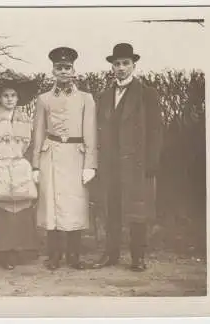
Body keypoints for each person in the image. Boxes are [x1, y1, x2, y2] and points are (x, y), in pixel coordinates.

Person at [91, 43, 163, 272]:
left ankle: (137, 257)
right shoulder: (104, 96)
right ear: (112, 67)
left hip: (135, 162)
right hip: (110, 162)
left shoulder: (147, 94)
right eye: (117, 64)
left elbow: (155, 130)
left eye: (125, 63)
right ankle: (110, 255)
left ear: (134, 65)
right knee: (111, 208)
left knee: (136, 210)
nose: (121, 68)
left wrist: (151, 162)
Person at [32, 47, 97, 270]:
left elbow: (91, 133)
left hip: (76, 156)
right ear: (53, 70)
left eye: (67, 67)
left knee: (75, 205)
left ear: (73, 69)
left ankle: (74, 256)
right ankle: (54, 255)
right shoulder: (43, 99)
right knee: (51, 204)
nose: (63, 71)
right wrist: (35, 164)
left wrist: (90, 164)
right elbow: (38, 132)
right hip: (50, 155)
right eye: (59, 67)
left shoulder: (86, 99)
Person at [0, 70, 40, 270]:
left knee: (20, 208)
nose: (10, 99)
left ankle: (17, 251)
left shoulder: (25, 118)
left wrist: (27, 162)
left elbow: (31, 144)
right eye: (5, 95)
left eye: (13, 95)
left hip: (20, 166)